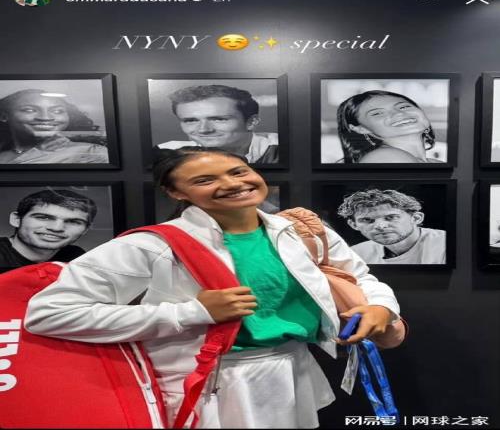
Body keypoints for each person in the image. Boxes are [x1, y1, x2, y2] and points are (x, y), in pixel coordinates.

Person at [25, 147, 400, 428]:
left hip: (293, 371)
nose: (232, 184)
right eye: (204, 180)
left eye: (238, 171)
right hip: (208, 385)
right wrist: (192, 312)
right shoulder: (153, 245)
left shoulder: (299, 230)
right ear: (177, 193)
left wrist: (381, 307)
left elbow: (361, 276)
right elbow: (49, 313)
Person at [155, 84, 279, 164]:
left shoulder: (283, 148)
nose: (203, 130)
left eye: (219, 119)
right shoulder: (165, 153)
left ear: (251, 122)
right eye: (191, 121)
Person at [338, 189, 446, 265]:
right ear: (353, 225)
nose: (380, 226)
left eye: (391, 217)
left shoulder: (446, 244)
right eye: (367, 220)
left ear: (416, 218)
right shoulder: (355, 253)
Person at [0, 89, 109, 164]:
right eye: (29, 110)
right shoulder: (3, 152)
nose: (45, 117)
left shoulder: (92, 152)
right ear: (4, 116)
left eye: (57, 111)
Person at [0, 189, 97, 271]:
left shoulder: (75, 257)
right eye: (43, 217)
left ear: (86, 230)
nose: (56, 228)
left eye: (73, 221)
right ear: (16, 220)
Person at [336, 90, 443, 164]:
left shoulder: (435, 163)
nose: (398, 113)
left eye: (404, 107)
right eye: (377, 113)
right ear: (361, 128)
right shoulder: (386, 158)